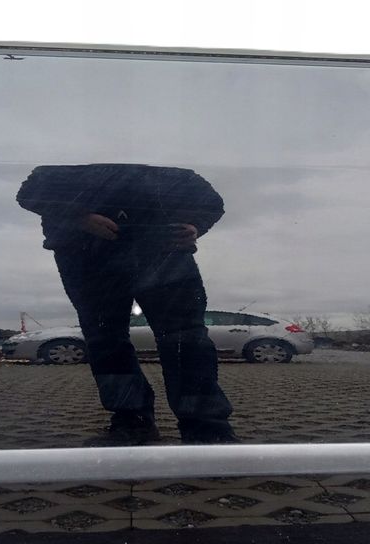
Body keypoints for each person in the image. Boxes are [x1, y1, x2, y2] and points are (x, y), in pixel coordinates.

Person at [16, 163, 237, 445]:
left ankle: (203, 426)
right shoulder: (66, 167)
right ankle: (137, 422)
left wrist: (196, 224)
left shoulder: (168, 170)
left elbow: (211, 203)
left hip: (158, 254)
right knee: (108, 339)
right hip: (90, 257)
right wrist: (78, 217)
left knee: (182, 338)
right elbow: (30, 192)